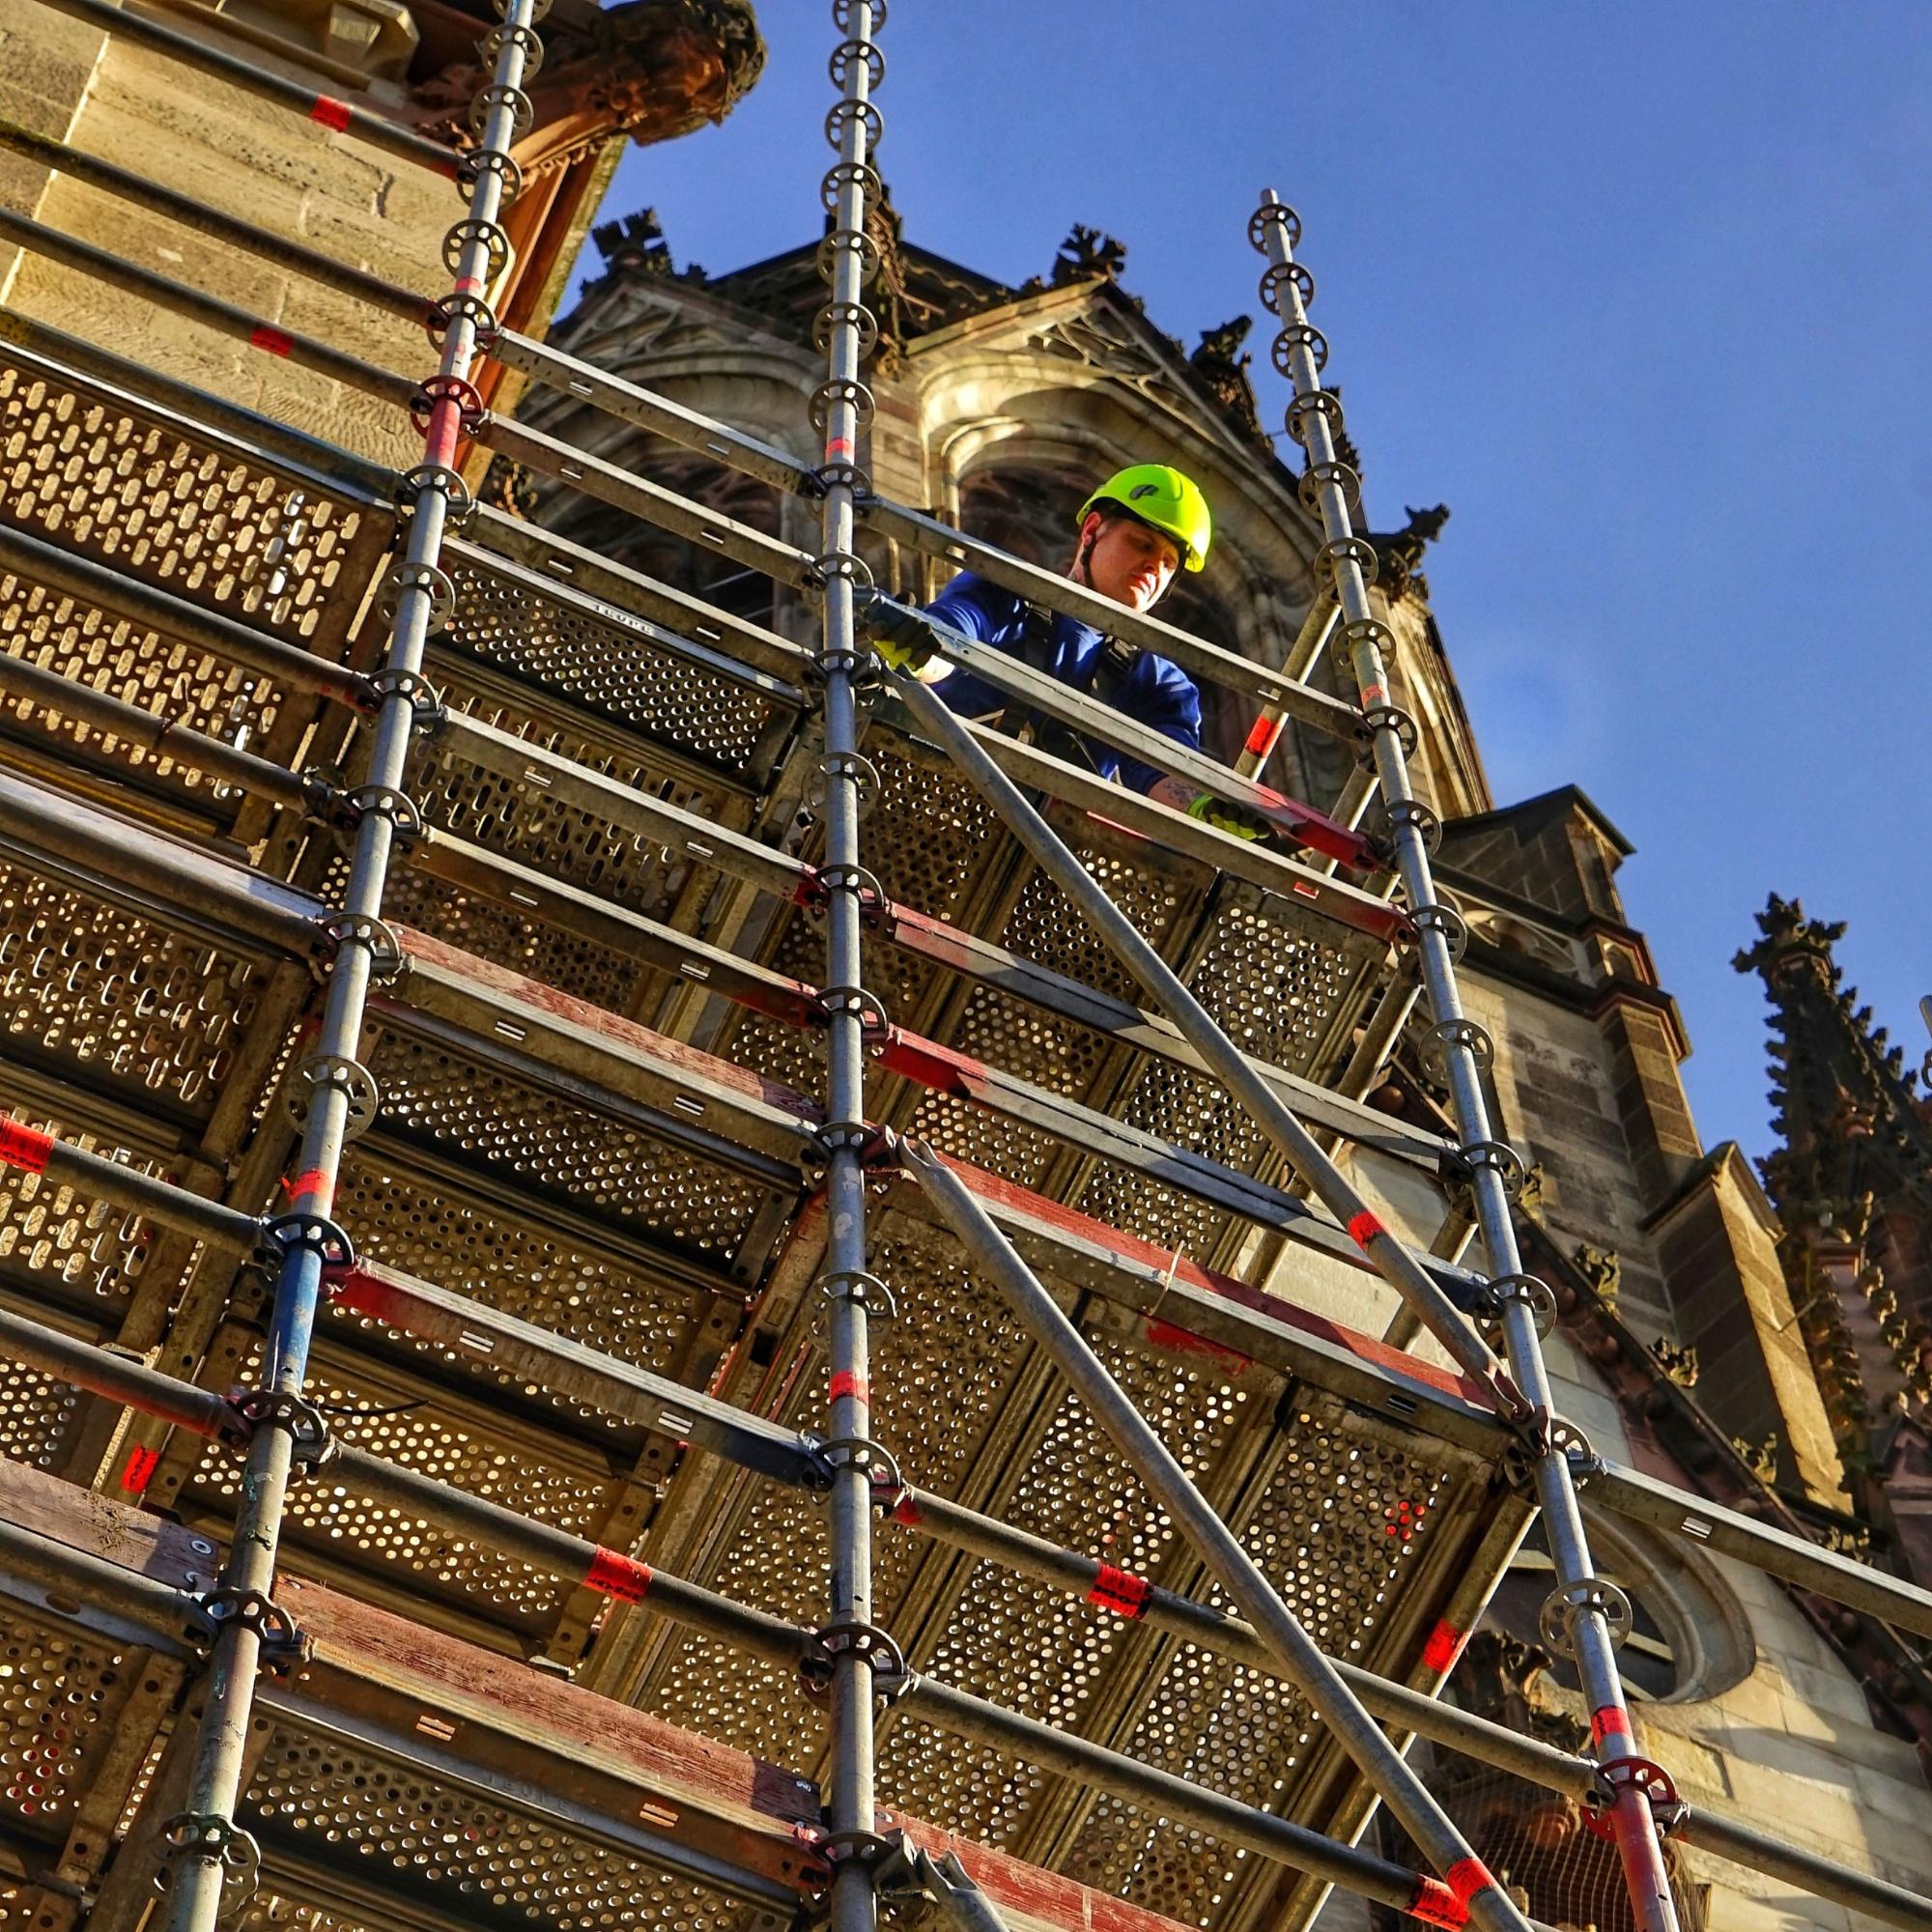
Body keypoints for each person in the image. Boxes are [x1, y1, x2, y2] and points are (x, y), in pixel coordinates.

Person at [860, 465, 1257, 831]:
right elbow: (952, 638)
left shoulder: (1158, 682)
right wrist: (916, 647)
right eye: (1143, 544)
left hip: (1045, 860)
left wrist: (1206, 809)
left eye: (1169, 563)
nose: (1155, 568)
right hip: (920, 804)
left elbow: (1159, 770)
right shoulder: (1004, 590)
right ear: (1092, 531)